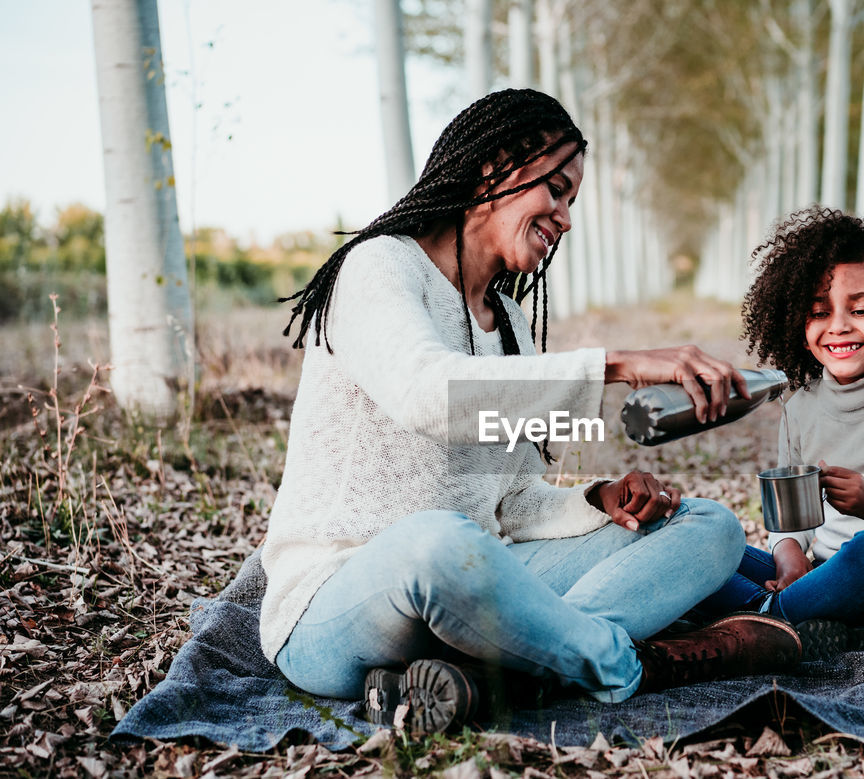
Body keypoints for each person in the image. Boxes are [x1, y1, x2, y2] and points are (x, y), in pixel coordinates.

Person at [263, 89, 800, 734]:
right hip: (343, 596)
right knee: (438, 543)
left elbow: (512, 503)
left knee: (707, 526)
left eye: (573, 201)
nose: (566, 219)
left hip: (482, 575)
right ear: (495, 169)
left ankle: (499, 672)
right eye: (557, 190)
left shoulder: (509, 322)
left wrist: (597, 499)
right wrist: (614, 363)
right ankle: (631, 664)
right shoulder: (380, 266)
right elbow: (426, 392)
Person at [692, 206, 864, 658]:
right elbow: (790, 521)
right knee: (698, 530)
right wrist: (788, 555)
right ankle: (790, 615)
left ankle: (762, 618)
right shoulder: (801, 405)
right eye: (819, 312)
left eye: (861, 309)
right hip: (824, 580)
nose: (839, 325)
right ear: (800, 328)